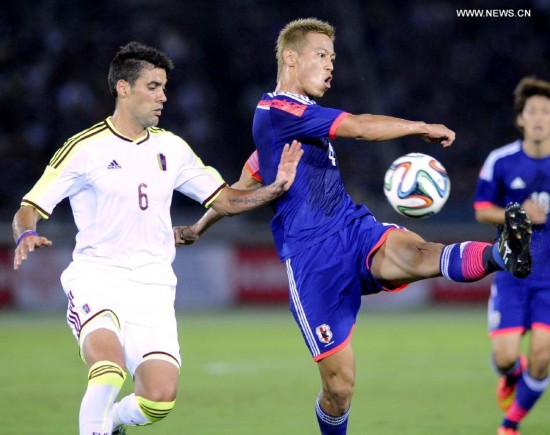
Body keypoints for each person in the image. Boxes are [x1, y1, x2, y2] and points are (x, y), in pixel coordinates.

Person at [173, 18, 532, 434]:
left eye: (333, 58)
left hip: (352, 229)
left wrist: (199, 227)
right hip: (312, 261)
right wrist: (421, 127)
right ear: (291, 58)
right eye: (321, 55)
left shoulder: (291, 127)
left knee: (415, 252)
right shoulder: (277, 110)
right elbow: (359, 126)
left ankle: (499, 253)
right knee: (340, 388)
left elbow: (238, 186)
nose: (330, 66)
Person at [12, 41, 303, 435]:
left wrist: (276, 188)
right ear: (123, 88)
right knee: (108, 369)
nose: (163, 96)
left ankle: (112, 421)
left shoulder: (173, 148)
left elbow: (226, 200)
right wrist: (26, 232)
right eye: (153, 87)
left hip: (153, 286)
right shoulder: (84, 149)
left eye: (164, 87)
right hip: (99, 278)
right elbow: (28, 207)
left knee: (158, 400)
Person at [474, 76, 550, 435]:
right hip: (513, 273)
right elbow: (480, 209)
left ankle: (510, 424)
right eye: (532, 111)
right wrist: (516, 215)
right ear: (520, 118)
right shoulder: (500, 161)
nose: (539, 117)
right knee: (504, 358)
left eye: (546, 112)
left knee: (543, 357)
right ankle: (512, 374)